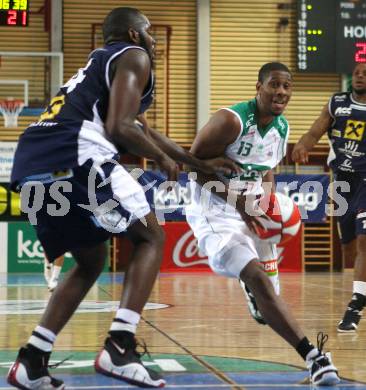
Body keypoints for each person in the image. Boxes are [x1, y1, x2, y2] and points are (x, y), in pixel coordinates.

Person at [7, 7, 238, 390]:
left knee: (90, 260)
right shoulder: (135, 57)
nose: (153, 42)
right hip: (76, 153)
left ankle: (32, 359)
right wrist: (161, 160)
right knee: (151, 236)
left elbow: (144, 128)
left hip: (32, 164)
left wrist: (196, 163)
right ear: (134, 34)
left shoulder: (99, 71)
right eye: (148, 32)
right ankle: (120, 346)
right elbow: (120, 127)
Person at [185, 62, 340, 386]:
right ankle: (314, 357)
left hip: (251, 204)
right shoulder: (231, 120)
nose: (280, 92)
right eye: (274, 85)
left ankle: (258, 279)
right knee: (258, 279)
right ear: (259, 87)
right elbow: (192, 167)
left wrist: (267, 205)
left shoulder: (282, 127)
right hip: (214, 210)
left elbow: (267, 169)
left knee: (266, 299)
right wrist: (240, 205)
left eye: (286, 86)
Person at [292, 62, 366, 333]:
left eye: (365, 73)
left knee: (363, 239)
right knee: (348, 249)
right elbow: (315, 131)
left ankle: (356, 304)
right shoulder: (337, 102)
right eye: (357, 72)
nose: (360, 76)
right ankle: (362, 289)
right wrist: (303, 144)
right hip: (343, 182)